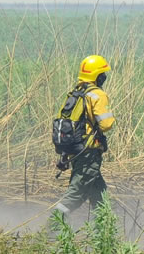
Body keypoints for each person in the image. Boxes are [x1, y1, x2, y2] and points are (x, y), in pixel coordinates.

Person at [54, 55, 116, 216]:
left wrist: (65, 154)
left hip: (77, 151)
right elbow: (107, 124)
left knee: (100, 196)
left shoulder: (75, 93)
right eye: (103, 74)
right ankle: (48, 231)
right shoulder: (97, 94)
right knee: (75, 194)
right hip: (89, 152)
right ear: (98, 76)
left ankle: (103, 235)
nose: (105, 77)